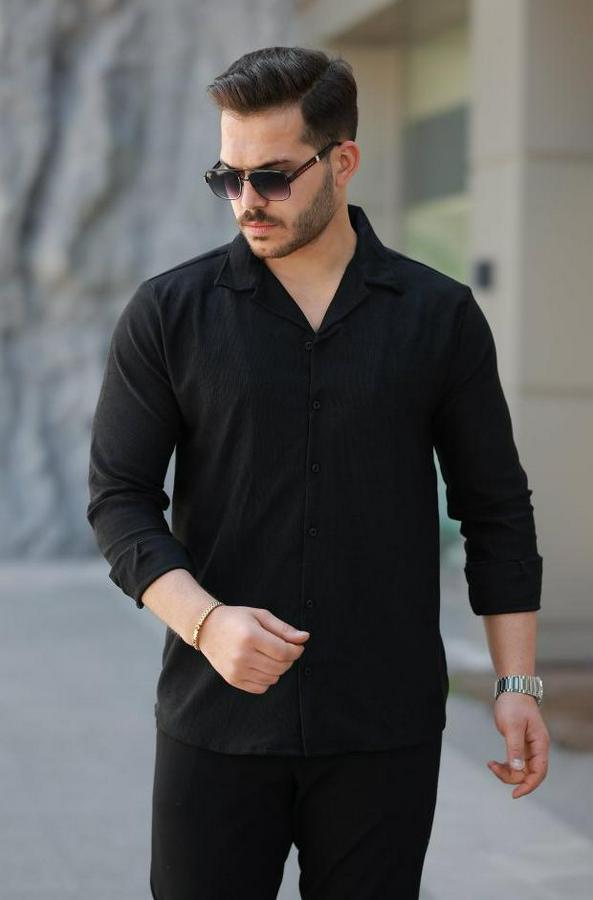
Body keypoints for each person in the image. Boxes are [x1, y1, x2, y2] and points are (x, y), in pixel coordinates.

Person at [86, 45, 550, 900]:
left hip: (383, 726)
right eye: (227, 177)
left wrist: (516, 683)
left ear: (342, 162)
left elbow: (495, 510)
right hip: (213, 722)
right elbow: (119, 502)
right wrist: (205, 624)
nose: (246, 202)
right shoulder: (168, 313)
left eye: (270, 177)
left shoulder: (438, 316)